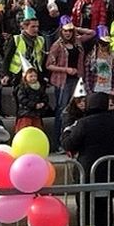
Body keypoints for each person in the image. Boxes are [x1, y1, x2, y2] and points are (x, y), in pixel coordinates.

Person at [61, 92, 114, 226]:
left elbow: (69, 144)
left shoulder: (84, 123)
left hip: (87, 172)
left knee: (84, 206)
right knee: (105, 206)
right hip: (108, 170)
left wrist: (66, 132)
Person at [46, 16, 85, 151]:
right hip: (63, 81)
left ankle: (72, 140)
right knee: (62, 110)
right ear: (61, 31)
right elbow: (49, 65)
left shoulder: (77, 42)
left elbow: (92, 33)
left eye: (70, 31)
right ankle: (59, 142)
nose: (67, 33)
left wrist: (76, 27)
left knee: (75, 109)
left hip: (76, 79)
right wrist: (66, 69)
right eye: (65, 31)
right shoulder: (57, 45)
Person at [1, 7, 45, 85]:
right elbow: (7, 58)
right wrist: (6, 75)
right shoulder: (16, 39)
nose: (36, 29)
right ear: (25, 27)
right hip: (18, 75)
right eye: (33, 27)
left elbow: (43, 58)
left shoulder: (40, 39)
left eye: (37, 26)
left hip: (35, 74)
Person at [14, 61, 49, 133]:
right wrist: (34, 105)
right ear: (25, 77)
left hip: (37, 114)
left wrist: (43, 103)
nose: (33, 78)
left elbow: (45, 96)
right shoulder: (22, 88)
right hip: (25, 114)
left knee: (38, 131)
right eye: (31, 76)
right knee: (25, 131)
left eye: (35, 76)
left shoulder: (39, 87)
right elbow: (22, 99)